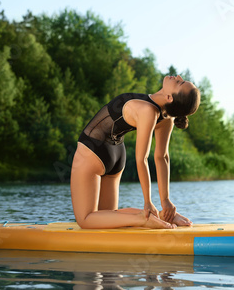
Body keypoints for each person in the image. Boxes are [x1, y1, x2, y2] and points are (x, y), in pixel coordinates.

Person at [71, 75, 200, 229]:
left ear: (169, 97)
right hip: (116, 154)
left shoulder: (147, 110)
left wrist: (147, 201)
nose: (177, 77)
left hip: (92, 149)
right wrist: (165, 202)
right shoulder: (166, 116)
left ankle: (145, 218)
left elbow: (142, 159)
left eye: (180, 82)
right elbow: (162, 157)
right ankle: (161, 216)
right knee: (107, 215)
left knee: (86, 219)